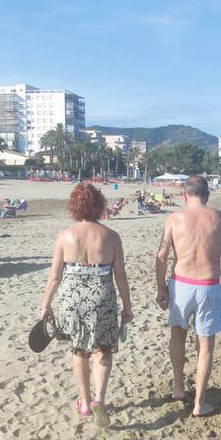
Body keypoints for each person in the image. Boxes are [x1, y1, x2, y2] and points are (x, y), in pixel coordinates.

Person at [155, 175, 221, 417]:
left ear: (185, 195)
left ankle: (178, 387)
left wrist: (160, 288)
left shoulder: (174, 219)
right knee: (205, 345)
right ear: (206, 195)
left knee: (177, 335)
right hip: (208, 286)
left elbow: (162, 255)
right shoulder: (220, 218)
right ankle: (199, 403)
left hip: (181, 285)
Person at [40, 183, 133, 427]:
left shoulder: (65, 235)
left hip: (72, 299)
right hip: (102, 297)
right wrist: (127, 306)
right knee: (103, 349)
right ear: (100, 205)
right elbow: (120, 276)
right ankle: (99, 398)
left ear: (74, 205)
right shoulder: (111, 236)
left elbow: (55, 277)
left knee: (79, 350)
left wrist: (46, 305)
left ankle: (84, 401)